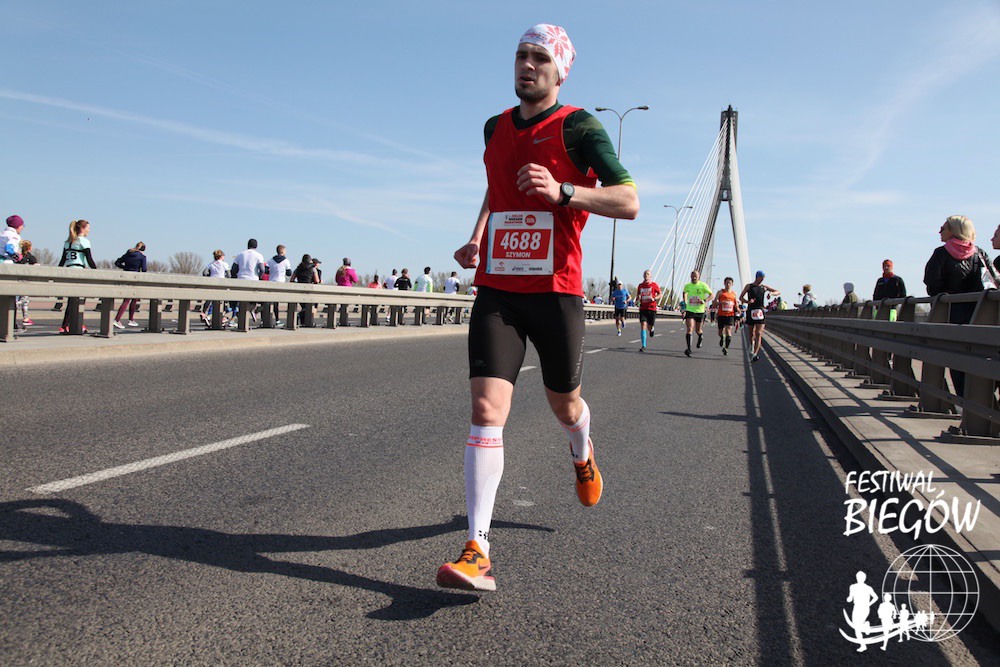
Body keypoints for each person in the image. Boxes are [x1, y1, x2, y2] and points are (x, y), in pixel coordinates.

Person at [438, 23, 639, 593]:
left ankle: (582, 449)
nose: (527, 65)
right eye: (521, 55)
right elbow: (495, 184)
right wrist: (477, 236)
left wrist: (565, 192)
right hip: (498, 288)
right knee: (486, 408)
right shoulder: (494, 126)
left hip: (556, 291)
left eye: (539, 58)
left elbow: (629, 200)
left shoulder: (579, 127)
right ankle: (477, 549)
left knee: (564, 404)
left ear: (560, 71)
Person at [923, 215, 985, 397]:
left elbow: (932, 285)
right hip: (979, 316)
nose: (939, 231)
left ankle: (964, 400)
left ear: (954, 231)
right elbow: (991, 282)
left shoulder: (941, 254)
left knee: (955, 359)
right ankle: (980, 401)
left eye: (943, 228)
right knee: (979, 359)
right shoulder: (979, 254)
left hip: (950, 314)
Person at [58, 219, 97, 334]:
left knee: (71, 300)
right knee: (80, 300)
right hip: (79, 271)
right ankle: (77, 323)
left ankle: (65, 325)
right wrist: (96, 272)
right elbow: (89, 259)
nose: (89, 230)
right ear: (82, 228)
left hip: (69, 271)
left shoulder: (68, 242)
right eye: (88, 228)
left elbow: (62, 260)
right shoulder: (84, 241)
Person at [740, 270, 780, 362]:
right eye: (761, 278)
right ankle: (752, 344)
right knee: (751, 333)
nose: (762, 279)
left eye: (763, 278)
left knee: (758, 333)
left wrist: (771, 294)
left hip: (760, 311)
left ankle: (755, 354)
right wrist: (747, 302)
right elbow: (740, 297)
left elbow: (778, 291)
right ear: (757, 277)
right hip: (751, 310)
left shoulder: (764, 287)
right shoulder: (749, 286)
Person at [113, 241, 148, 328]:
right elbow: (144, 269)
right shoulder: (142, 257)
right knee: (131, 299)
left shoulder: (128, 253)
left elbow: (117, 263)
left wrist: (125, 267)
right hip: (134, 279)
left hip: (126, 277)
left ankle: (131, 320)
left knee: (129, 299)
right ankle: (118, 319)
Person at [231, 238, 266, 324]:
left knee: (241, 299)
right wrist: (259, 276)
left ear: (247, 245)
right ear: (256, 246)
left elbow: (233, 269)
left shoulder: (240, 254)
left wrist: (236, 276)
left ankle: (240, 312)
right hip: (253, 280)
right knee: (254, 298)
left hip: (241, 280)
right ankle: (251, 309)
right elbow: (262, 269)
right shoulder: (259, 255)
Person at [681, 270, 713, 357]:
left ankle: (700, 336)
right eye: (692, 276)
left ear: (699, 276)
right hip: (690, 310)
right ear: (690, 276)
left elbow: (711, 295)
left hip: (700, 311)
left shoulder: (703, 285)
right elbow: (684, 292)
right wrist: (685, 301)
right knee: (689, 328)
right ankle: (689, 349)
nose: (694, 277)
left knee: (698, 330)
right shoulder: (687, 286)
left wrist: (705, 300)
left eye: (695, 276)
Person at [847, 571, 879, 653]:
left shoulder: (866, 588)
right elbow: (850, 597)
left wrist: (869, 604)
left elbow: (875, 597)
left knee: (857, 627)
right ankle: (865, 629)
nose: (859, 579)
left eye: (860, 577)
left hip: (862, 607)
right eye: (858, 577)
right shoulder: (854, 587)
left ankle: (865, 627)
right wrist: (849, 599)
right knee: (856, 627)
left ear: (864, 578)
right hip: (858, 607)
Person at [290, 253, 320, 326]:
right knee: (310, 306)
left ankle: (303, 321)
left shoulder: (298, 269)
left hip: (300, 290)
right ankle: (307, 321)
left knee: (304, 306)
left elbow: (292, 279)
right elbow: (317, 281)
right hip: (309, 290)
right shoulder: (313, 269)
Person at [712, 277, 738, 355]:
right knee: (720, 332)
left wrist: (738, 309)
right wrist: (721, 303)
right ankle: (722, 337)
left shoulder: (734, 294)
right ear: (724, 283)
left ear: (732, 284)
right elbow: (714, 303)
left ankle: (726, 348)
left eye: (729, 283)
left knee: (728, 330)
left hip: (730, 315)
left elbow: (736, 305)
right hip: (721, 314)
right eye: (726, 283)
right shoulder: (720, 292)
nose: (728, 284)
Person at [14, 239, 37, 326]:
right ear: (30, 248)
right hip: (26, 281)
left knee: (21, 298)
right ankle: (24, 316)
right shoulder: (31, 257)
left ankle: (24, 318)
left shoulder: (18, 257)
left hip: (17, 280)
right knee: (24, 300)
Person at [635, 270, 660, 351]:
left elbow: (660, 294)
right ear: (643, 276)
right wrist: (637, 299)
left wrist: (654, 298)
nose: (646, 275)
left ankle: (652, 329)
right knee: (643, 324)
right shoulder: (640, 286)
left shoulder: (654, 285)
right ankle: (644, 345)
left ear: (650, 276)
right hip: (643, 308)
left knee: (650, 326)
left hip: (651, 308)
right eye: (645, 274)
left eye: (648, 274)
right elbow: (638, 295)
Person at [267, 244, 292, 324]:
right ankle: (277, 320)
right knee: (277, 302)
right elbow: (289, 273)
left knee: (271, 302)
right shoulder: (286, 261)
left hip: (271, 282)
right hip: (281, 283)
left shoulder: (270, 260)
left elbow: (266, 271)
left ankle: (268, 320)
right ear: (283, 252)